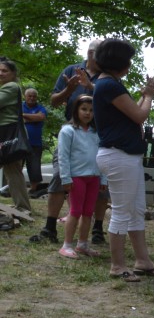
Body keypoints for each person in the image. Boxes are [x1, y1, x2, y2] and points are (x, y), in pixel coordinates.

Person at [92, 38, 154, 281]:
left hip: (125, 156)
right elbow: (140, 116)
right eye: (128, 60)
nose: (130, 64)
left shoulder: (109, 83)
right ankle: (117, 266)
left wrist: (144, 95)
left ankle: (142, 261)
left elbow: (133, 114)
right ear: (119, 62)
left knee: (136, 209)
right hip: (118, 155)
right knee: (122, 212)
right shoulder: (109, 85)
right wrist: (149, 96)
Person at [32, 39, 109, 245]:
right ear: (90, 53)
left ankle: (97, 229)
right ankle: (50, 227)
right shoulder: (71, 71)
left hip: (98, 133)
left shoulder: (108, 76)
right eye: (98, 53)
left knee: (100, 179)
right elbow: (54, 101)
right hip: (72, 130)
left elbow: (113, 105)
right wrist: (69, 89)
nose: (102, 58)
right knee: (59, 175)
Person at [56, 96, 106, 259]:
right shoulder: (68, 131)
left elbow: (102, 156)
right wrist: (66, 178)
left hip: (94, 177)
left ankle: (82, 244)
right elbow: (63, 156)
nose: (87, 113)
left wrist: (103, 178)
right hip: (76, 177)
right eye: (84, 109)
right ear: (76, 110)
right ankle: (66, 245)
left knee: (88, 212)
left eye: (91, 110)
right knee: (75, 211)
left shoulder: (96, 133)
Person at [0, 57, 31, 214]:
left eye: (4, 70)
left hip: (8, 134)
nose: (1, 73)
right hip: (5, 133)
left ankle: (23, 207)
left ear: (13, 74)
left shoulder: (11, 86)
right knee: (12, 171)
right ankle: (22, 206)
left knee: (13, 171)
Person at [22, 87, 48, 198]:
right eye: (29, 96)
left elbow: (41, 117)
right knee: (16, 166)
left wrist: (23, 116)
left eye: (34, 96)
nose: (32, 98)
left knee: (35, 166)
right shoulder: (20, 106)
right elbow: (15, 118)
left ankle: (33, 190)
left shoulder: (40, 107)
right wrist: (33, 118)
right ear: (25, 96)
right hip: (20, 142)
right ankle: (16, 189)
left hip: (35, 143)